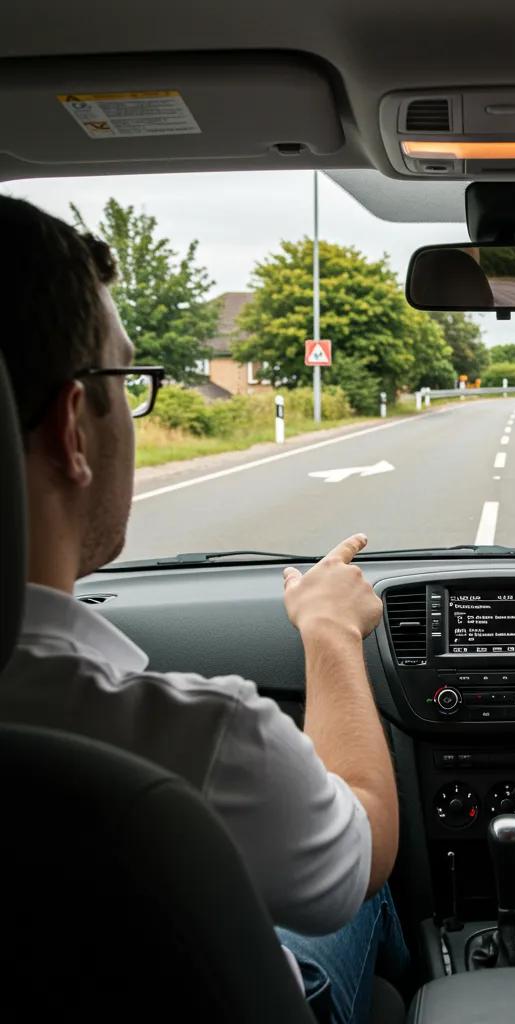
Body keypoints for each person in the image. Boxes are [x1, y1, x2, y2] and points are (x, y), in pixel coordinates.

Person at [0, 196, 408, 1024]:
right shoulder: (197, 742)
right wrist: (330, 636)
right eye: (128, 380)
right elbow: (360, 848)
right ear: (73, 425)